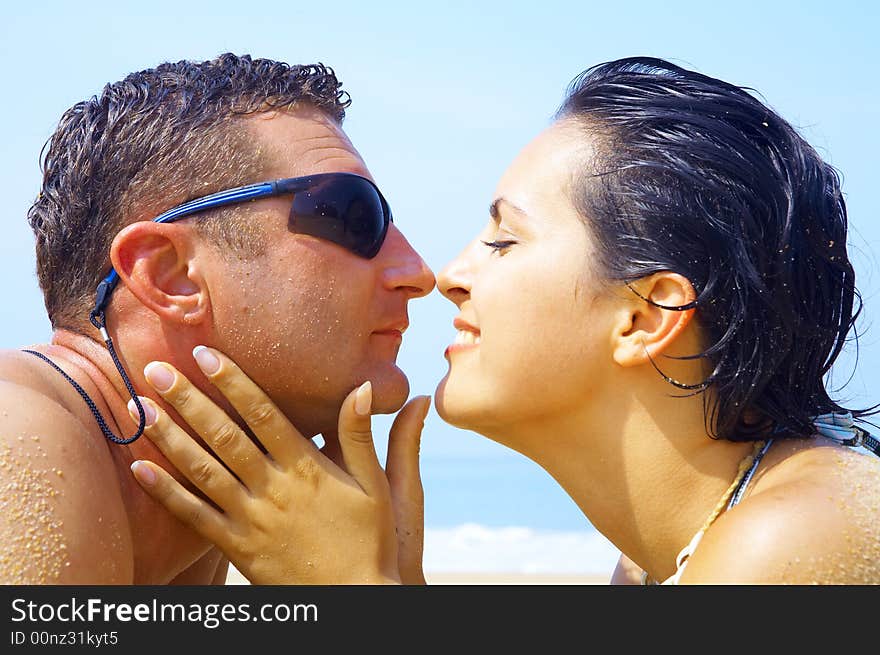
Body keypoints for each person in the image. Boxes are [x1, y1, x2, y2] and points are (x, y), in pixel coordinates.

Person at [128, 57, 880, 585]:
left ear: (645, 315)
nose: (447, 276)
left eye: (503, 239)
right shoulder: (658, 560)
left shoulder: (797, 539)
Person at [0, 53, 434, 584]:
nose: (419, 272)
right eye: (351, 214)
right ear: (170, 275)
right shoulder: (18, 435)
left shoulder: (197, 513)